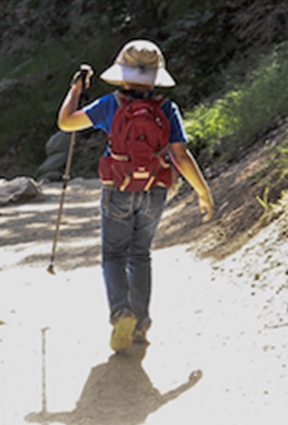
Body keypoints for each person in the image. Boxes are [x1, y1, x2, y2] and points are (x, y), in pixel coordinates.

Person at [57, 39, 215, 352]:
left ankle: (121, 312)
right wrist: (203, 191)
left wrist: (75, 90)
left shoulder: (109, 104)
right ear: (156, 77)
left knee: (114, 255)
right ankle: (140, 327)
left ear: (122, 74)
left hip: (118, 188)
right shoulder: (167, 108)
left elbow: (65, 123)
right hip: (155, 190)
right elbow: (180, 156)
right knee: (140, 254)